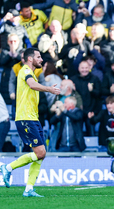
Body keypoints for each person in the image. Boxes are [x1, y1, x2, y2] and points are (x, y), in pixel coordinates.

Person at [0, 47, 60, 197]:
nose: (41, 59)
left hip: (33, 118)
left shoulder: (32, 73)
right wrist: (48, 89)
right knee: (40, 152)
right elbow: (32, 85)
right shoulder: (25, 71)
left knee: (41, 155)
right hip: (25, 118)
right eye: (38, 57)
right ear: (30, 59)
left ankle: (28, 189)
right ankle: (8, 168)